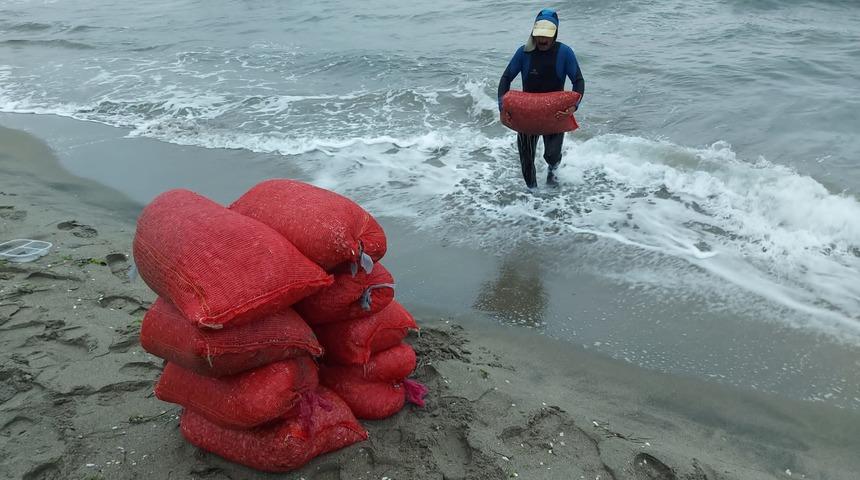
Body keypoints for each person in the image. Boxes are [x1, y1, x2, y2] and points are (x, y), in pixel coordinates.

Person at [498, 8, 585, 189]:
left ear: (555, 34)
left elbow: (578, 81)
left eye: (547, 35)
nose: (542, 40)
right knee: (527, 160)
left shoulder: (565, 53)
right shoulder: (523, 53)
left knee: (551, 155)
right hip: (527, 113)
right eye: (539, 35)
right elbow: (506, 78)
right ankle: (533, 197)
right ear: (534, 33)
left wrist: (573, 107)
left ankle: (553, 173)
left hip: (554, 114)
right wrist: (502, 108)